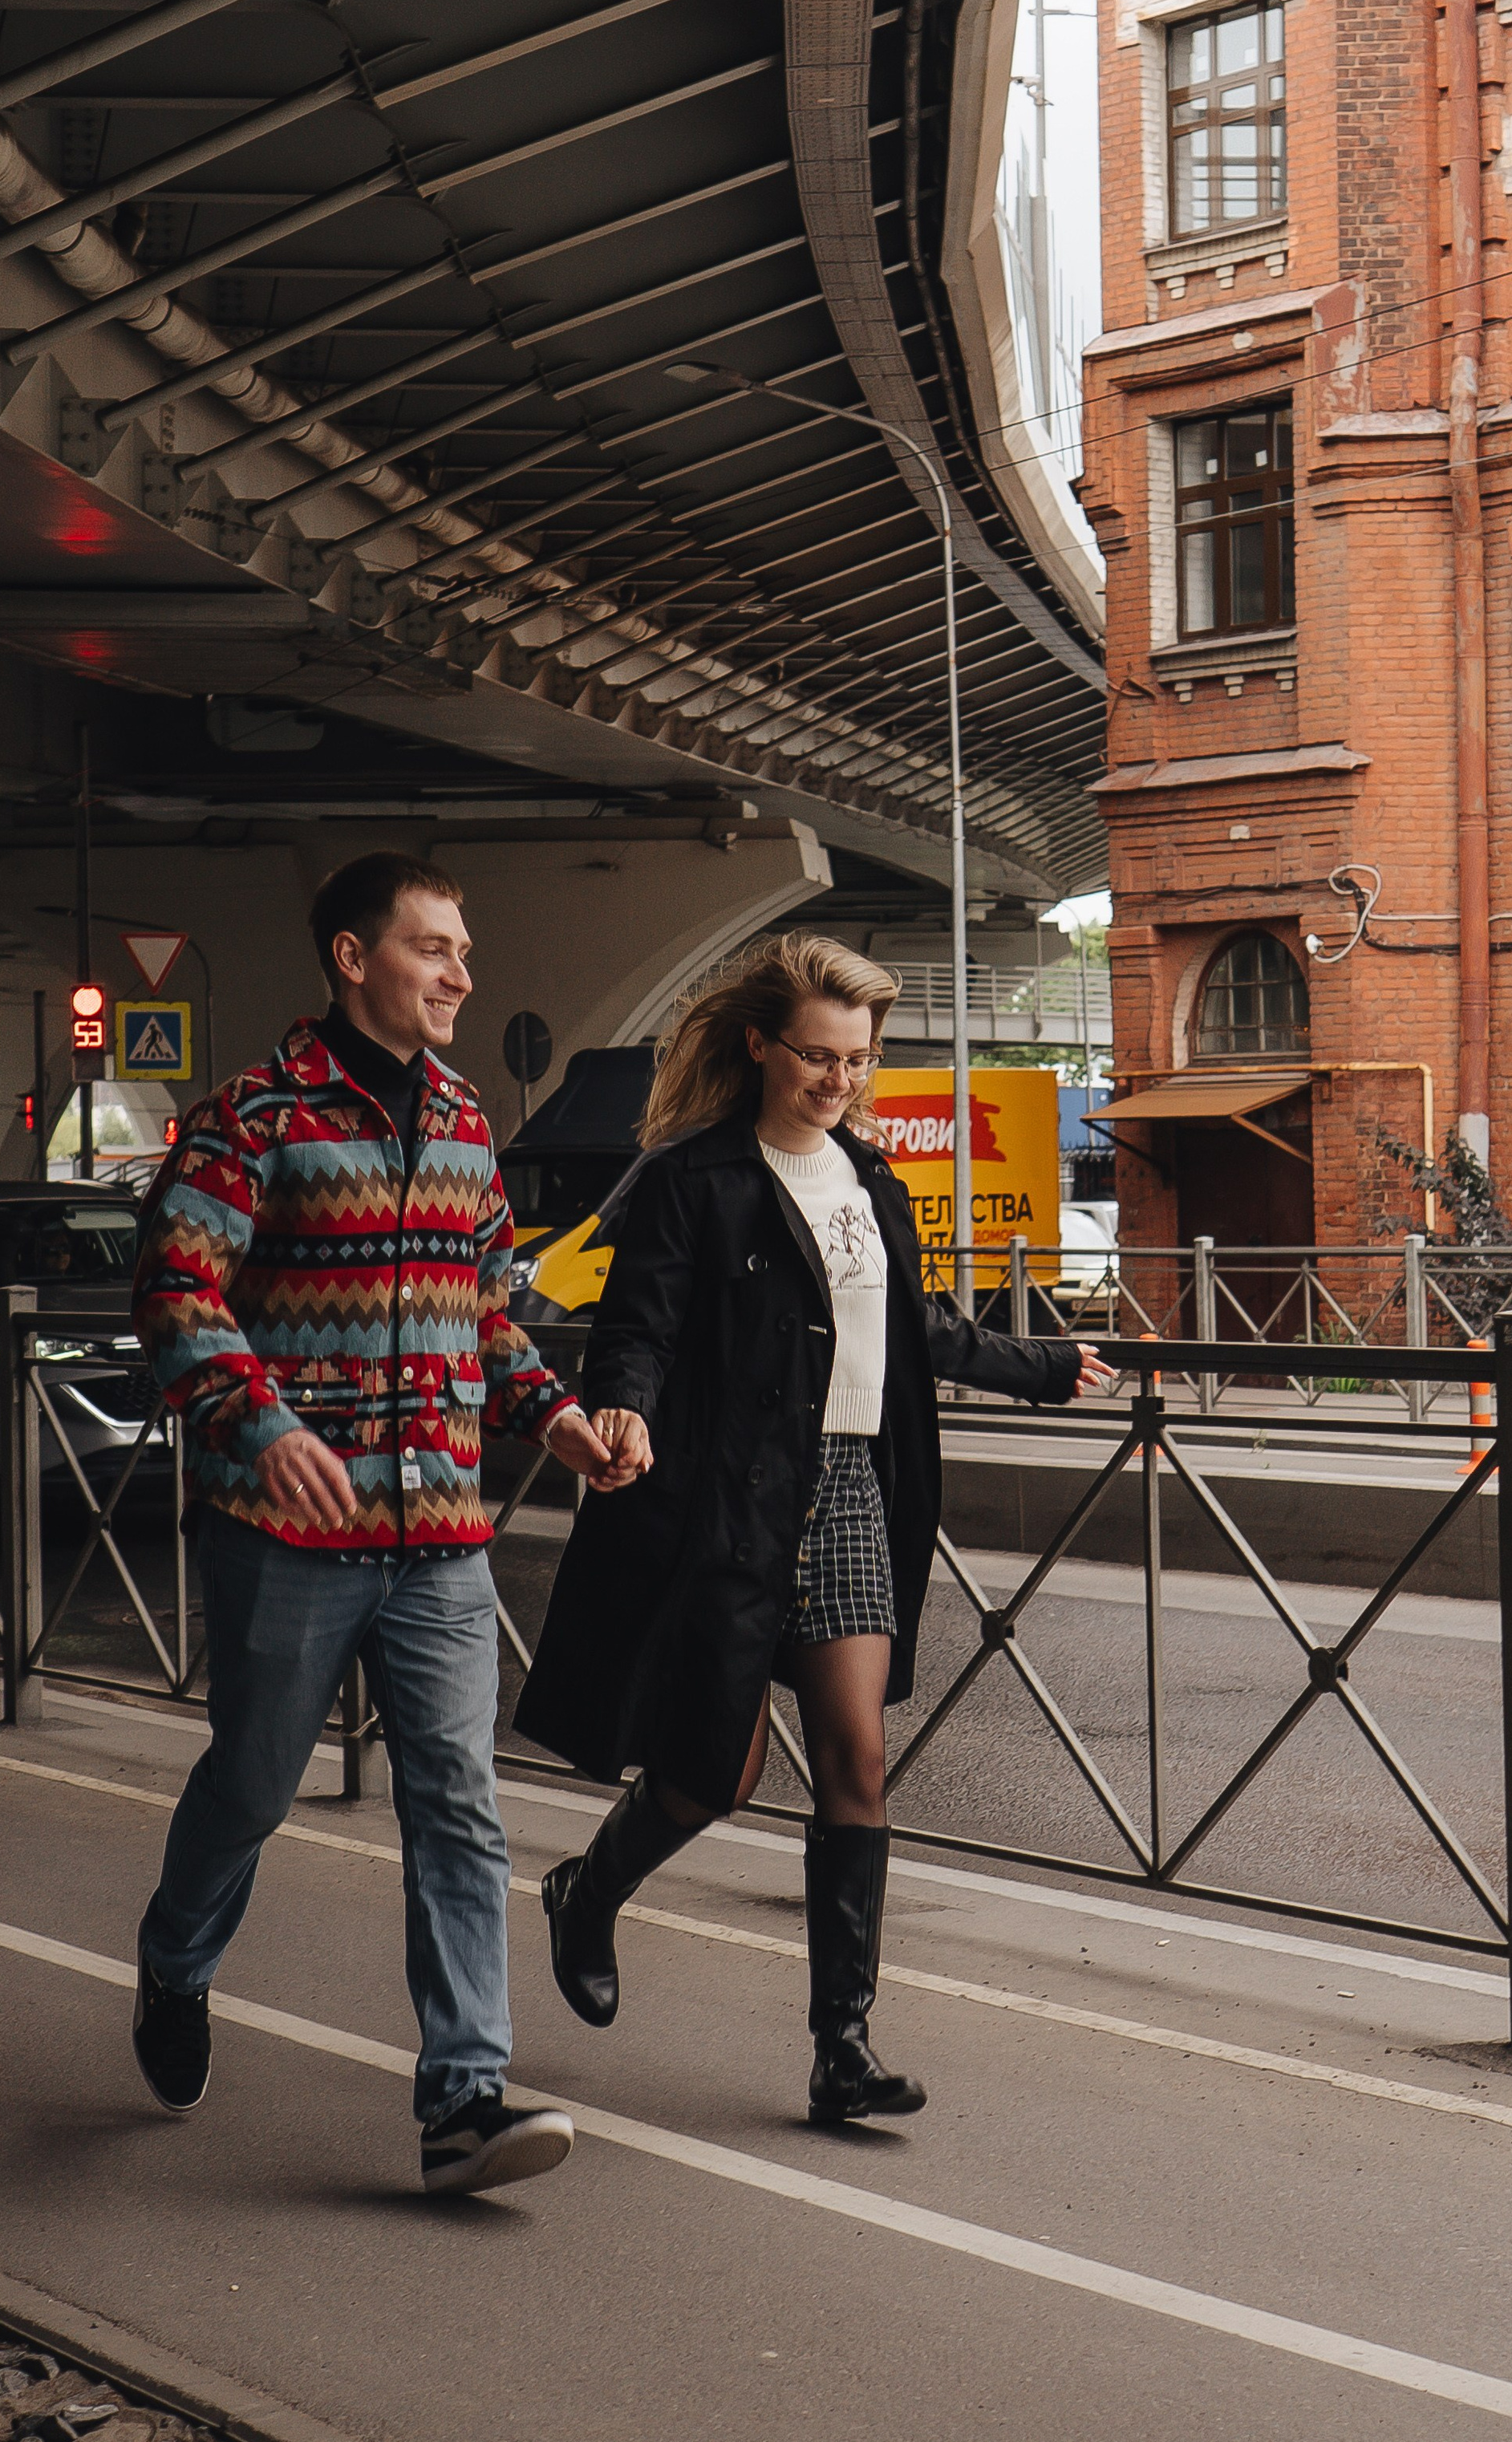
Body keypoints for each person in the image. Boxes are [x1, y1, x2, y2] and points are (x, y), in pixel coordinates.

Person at [519, 934, 1115, 2126]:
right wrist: (623, 1405)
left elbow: (924, 1334)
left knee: (857, 1755)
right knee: (712, 1775)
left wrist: (1047, 1365)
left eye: (858, 1058)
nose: (838, 1078)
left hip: (850, 1491)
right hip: (732, 1499)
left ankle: (842, 2049)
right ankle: (588, 1893)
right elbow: (634, 1328)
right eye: (816, 1055)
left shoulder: (872, 1183)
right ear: (761, 1046)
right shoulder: (696, 1179)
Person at [130, 852, 638, 2196]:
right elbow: (177, 1287)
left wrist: (554, 1415)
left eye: (464, 950)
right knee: (249, 1787)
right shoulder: (256, 1116)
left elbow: (484, 1314)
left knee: (459, 1807)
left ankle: (464, 2096)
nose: (461, 973)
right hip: (287, 1535)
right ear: (354, 958)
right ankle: (175, 1965)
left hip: (442, 1540)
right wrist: (264, 1424)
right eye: (433, 948)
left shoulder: (469, 1120)